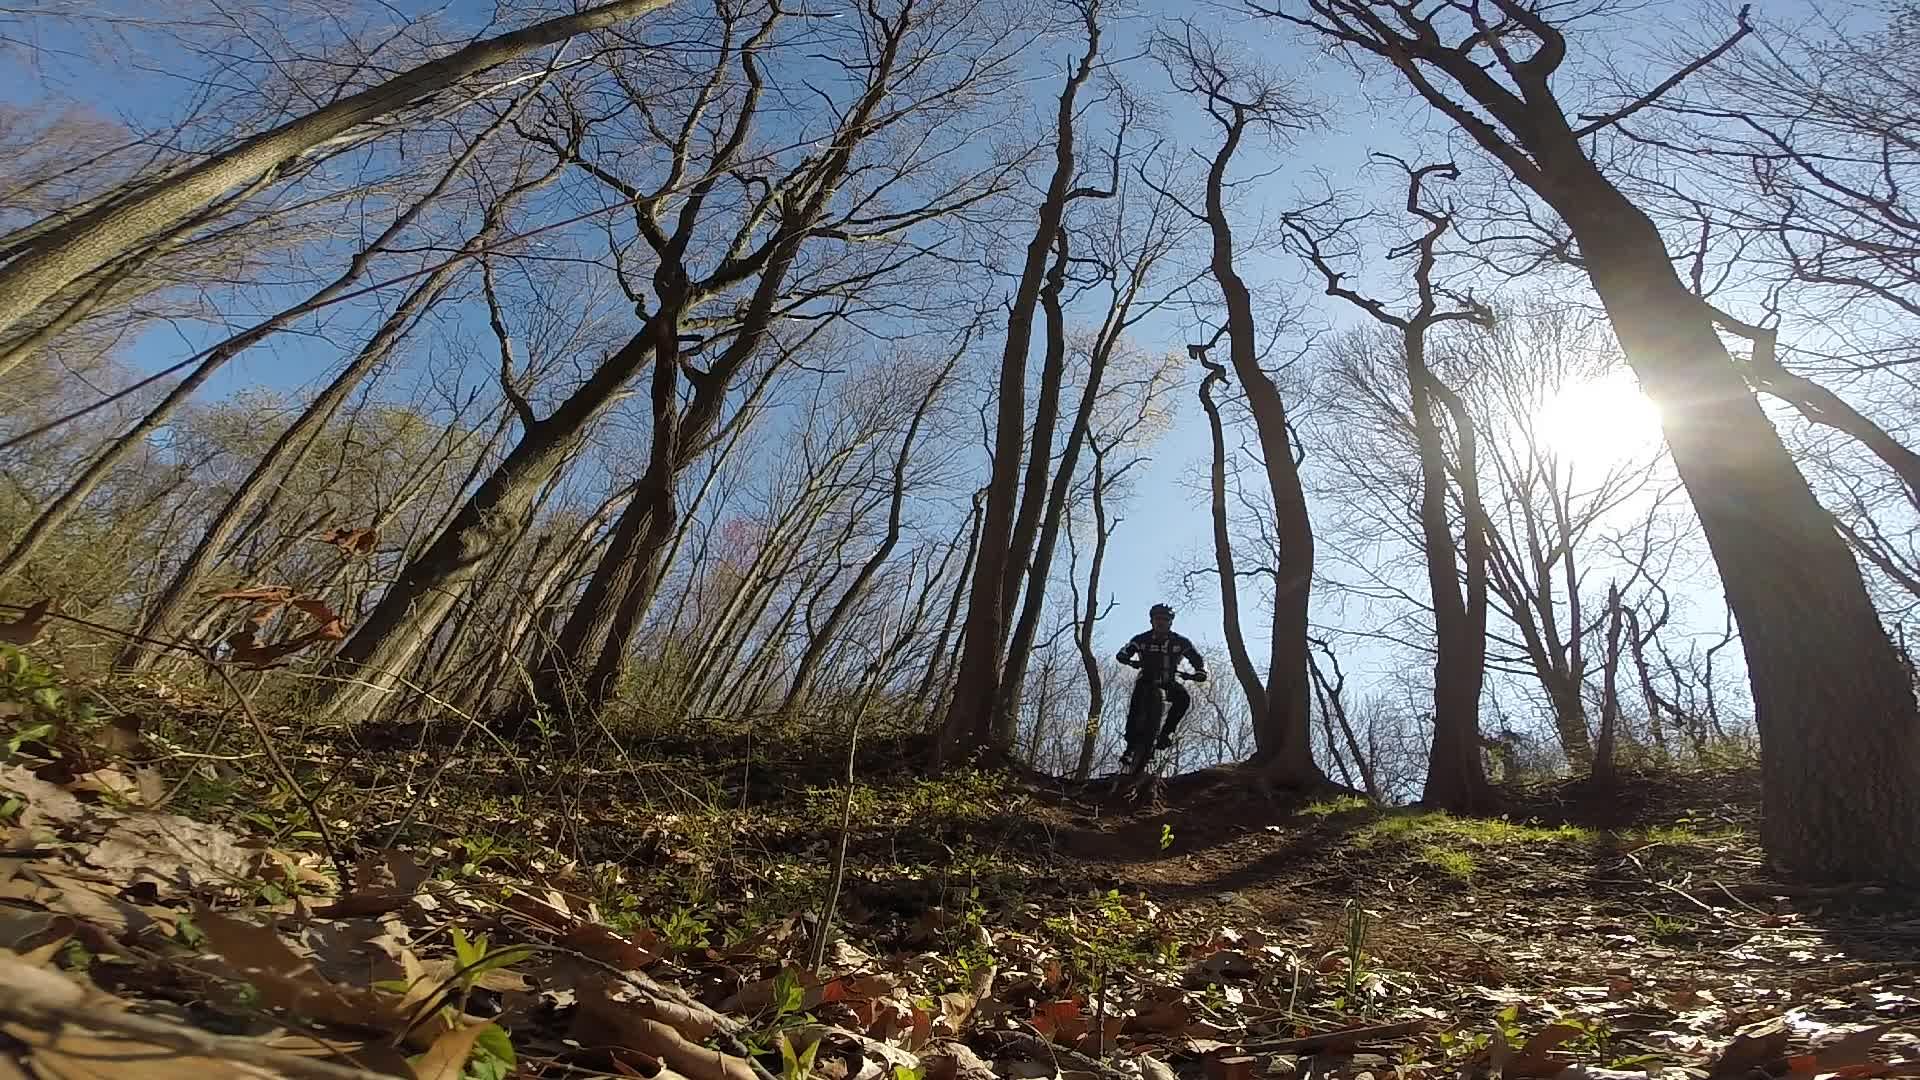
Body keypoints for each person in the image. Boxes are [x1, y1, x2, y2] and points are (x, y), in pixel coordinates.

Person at [1115, 603, 1207, 766]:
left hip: (1168, 680)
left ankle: (1166, 733)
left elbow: (1196, 658)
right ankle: (1130, 748)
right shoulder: (1141, 639)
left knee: (1184, 698)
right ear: (1151, 621)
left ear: (1171, 621)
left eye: (1165, 619)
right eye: (1158, 619)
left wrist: (1200, 671)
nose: (1161, 622)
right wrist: (1125, 657)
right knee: (1135, 708)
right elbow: (1126, 650)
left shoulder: (1180, 642)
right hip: (1146, 680)